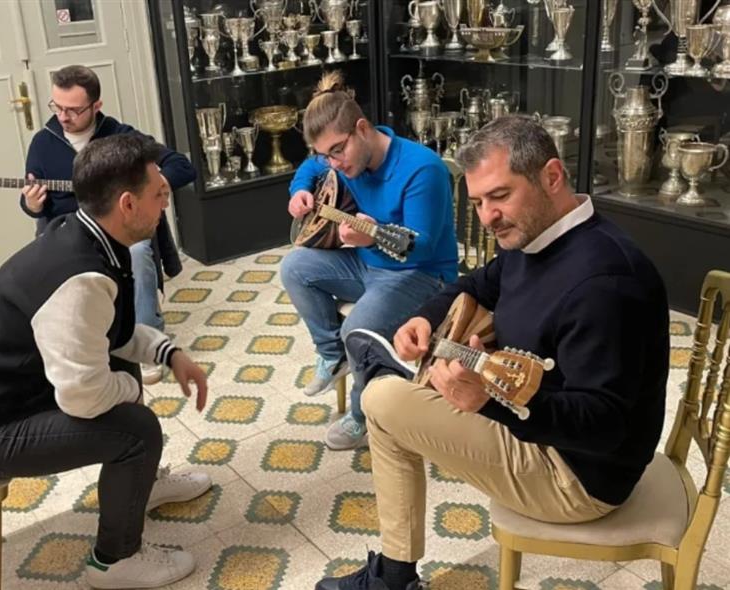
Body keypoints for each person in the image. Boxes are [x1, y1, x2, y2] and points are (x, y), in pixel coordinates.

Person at [315, 116, 670, 590]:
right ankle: (395, 574)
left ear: (551, 176)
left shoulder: (605, 284)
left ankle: (394, 578)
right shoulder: (537, 236)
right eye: (478, 202)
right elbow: (480, 283)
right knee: (391, 398)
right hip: (542, 428)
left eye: (500, 196)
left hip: (578, 478)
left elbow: (605, 427)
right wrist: (425, 317)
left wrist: (489, 403)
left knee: (380, 400)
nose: (487, 217)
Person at [0, 134, 211, 590]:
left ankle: (138, 486)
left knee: (119, 372)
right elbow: (83, 397)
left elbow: (112, 332)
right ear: (127, 204)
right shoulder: (80, 277)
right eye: (159, 195)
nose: (165, 203)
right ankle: (115, 562)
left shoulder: (83, 233)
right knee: (137, 431)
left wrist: (169, 353)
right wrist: (134, 391)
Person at [280, 71, 458, 450]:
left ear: (361, 129)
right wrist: (299, 191)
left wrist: (373, 236)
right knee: (294, 268)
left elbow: (423, 248)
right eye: (325, 154)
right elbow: (310, 168)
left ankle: (362, 416)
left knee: (356, 328)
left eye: (337, 151)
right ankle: (333, 356)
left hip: (422, 275)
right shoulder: (343, 158)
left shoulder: (422, 168)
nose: (333, 164)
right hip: (369, 263)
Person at [19, 65, 194, 360]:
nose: (63, 117)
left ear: (96, 105)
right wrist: (32, 204)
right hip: (68, 230)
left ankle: (148, 342)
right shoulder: (43, 142)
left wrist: (156, 185)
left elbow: (182, 166)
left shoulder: (120, 136)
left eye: (73, 110)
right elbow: (30, 203)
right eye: (57, 107)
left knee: (139, 251)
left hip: (119, 229)